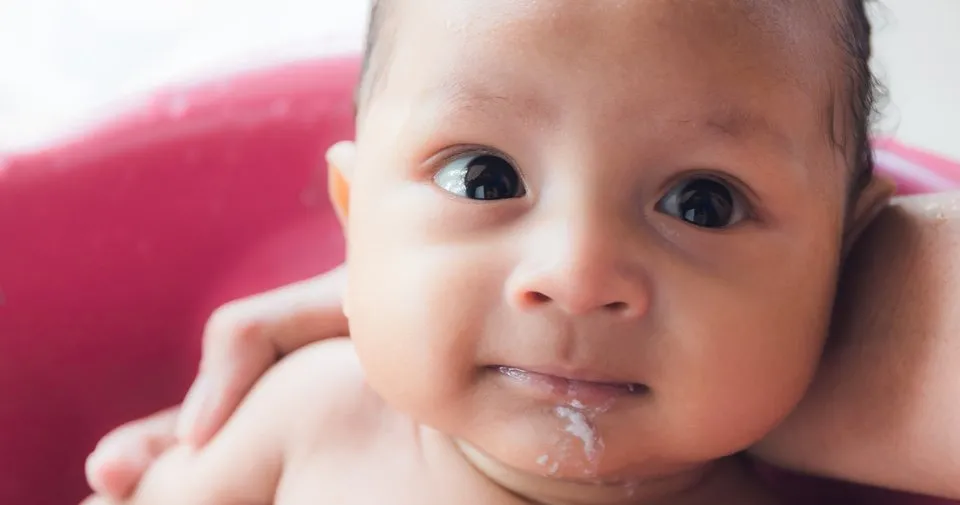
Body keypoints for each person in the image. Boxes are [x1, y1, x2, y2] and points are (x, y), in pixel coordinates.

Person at [82, 0, 960, 503]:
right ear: (357, 221)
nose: (576, 276)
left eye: (704, 202)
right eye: (483, 177)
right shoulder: (304, 419)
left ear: (841, 257)